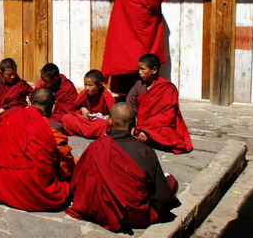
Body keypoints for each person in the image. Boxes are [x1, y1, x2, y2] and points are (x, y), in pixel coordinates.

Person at [66, 102, 179, 231]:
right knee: (170, 182)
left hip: (97, 210)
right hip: (133, 215)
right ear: (134, 122)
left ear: (109, 121)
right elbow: (162, 197)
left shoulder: (96, 147)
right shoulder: (145, 151)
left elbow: (77, 183)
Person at [0, 87, 75, 211]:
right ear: (54, 106)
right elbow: (66, 168)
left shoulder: (7, 122)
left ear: (29, 102)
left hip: (1, 188)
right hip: (38, 195)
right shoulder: (53, 131)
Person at [102, 0, 167, 95]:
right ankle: (125, 95)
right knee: (122, 55)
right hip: (128, 29)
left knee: (136, 60)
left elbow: (150, 5)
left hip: (141, 31)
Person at [127, 54, 193, 154]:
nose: (139, 72)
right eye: (139, 69)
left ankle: (147, 136)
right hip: (140, 125)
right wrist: (133, 122)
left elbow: (168, 115)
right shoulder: (139, 86)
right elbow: (130, 105)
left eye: (143, 69)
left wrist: (146, 129)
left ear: (154, 70)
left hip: (156, 126)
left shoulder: (166, 88)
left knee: (166, 134)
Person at [61, 70, 115, 139]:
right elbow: (75, 107)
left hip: (98, 123)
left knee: (103, 124)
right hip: (86, 121)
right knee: (66, 117)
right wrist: (82, 108)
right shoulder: (84, 94)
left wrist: (107, 117)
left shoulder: (107, 97)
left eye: (90, 85)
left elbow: (113, 116)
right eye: (85, 84)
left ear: (100, 85)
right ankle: (91, 133)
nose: (87, 88)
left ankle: (84, 133)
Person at [34, 63, 78, 128]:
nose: (42, 82)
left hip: (57, 114)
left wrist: (57, 105)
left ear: (55, 79)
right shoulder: (43, 82)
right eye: (42, 79)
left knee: (65, 119)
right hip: (42, 111)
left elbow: (71, 107)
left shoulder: (67, 87)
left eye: (45, 80)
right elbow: (34, 97)